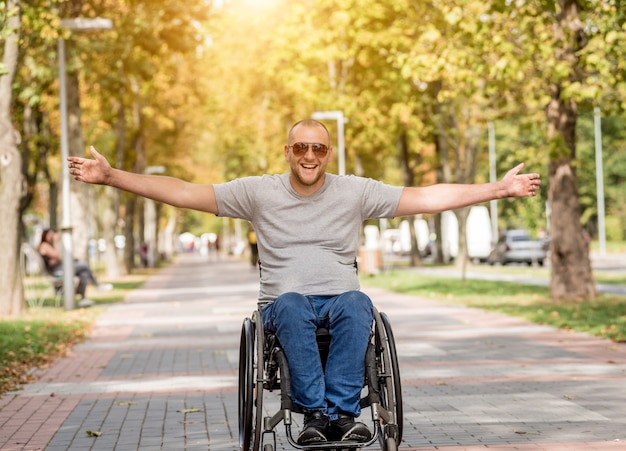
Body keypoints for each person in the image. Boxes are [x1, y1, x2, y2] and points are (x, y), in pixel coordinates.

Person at [67, 119, 541, 443]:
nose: (309, 155)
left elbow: (427, 195)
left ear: (327, 153)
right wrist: (113, 178)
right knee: (292, 303)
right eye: (301, 147)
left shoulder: (356, 191)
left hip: (340, 300)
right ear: (288, 151)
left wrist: (497, 189)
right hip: (283, 303)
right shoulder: (257, 192)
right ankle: (314, 417)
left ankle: (342, 416)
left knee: (360, 304)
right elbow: (185, 192)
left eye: (318, 148)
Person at [38, 228, 112, 307]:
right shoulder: (44, 246)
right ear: (45, 236)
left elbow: (58, 257)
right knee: (84, 265)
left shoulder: (49, 245)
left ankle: (84, 298)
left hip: (61, 268)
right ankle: (97, 285)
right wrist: (56, 243)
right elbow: (57, 255)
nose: (52, 237)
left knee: (84, 272)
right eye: (50, 235)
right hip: (57, 271)